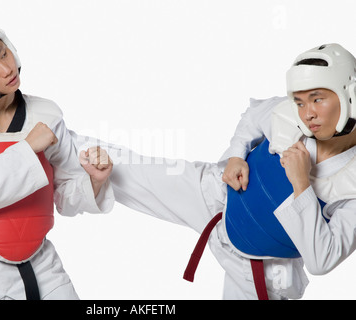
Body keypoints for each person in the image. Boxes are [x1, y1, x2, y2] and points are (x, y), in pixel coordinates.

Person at [75, 43, 356, 299]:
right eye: (300, 101)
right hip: (216, 198)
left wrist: (301, 184)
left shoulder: (351, 186)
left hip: (265, 268)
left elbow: (322, 259)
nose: (307, 113)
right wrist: (235, 155)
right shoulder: (288, 115)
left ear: (349, 95)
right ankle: (62, 144)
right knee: (126, 167)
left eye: (317, 99)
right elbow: (253, 117)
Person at [0, 20, 114, 300]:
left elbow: (64, 194)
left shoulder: (46, 115)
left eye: (3, 53)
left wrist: (94, 182)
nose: (7, 69)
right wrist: (27, 148)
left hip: (41, 266)